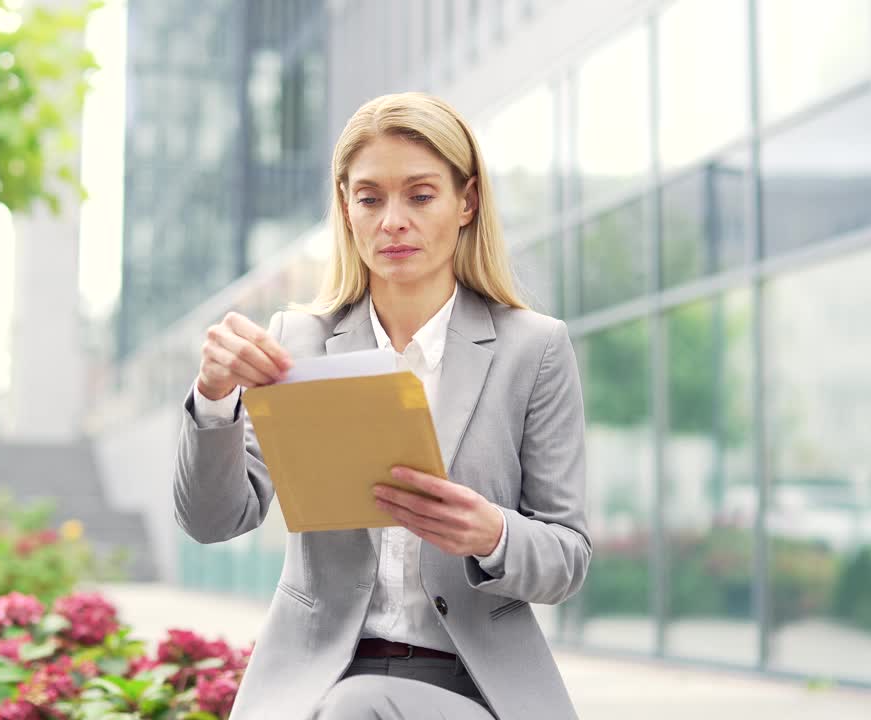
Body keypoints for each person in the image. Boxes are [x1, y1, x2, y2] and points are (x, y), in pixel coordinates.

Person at [174, 91, 590, 720]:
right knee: (350, 705)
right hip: (313, 680)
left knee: (358, 707)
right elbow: (213, 521)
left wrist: (493, 534)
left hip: (474, 687)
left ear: (467, 202)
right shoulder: (297, 345)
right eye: (370, 198)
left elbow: (567, 559)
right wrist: (213, 399)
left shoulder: (532, 349)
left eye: (420, 196)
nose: (393, 220)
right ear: (346, 207)